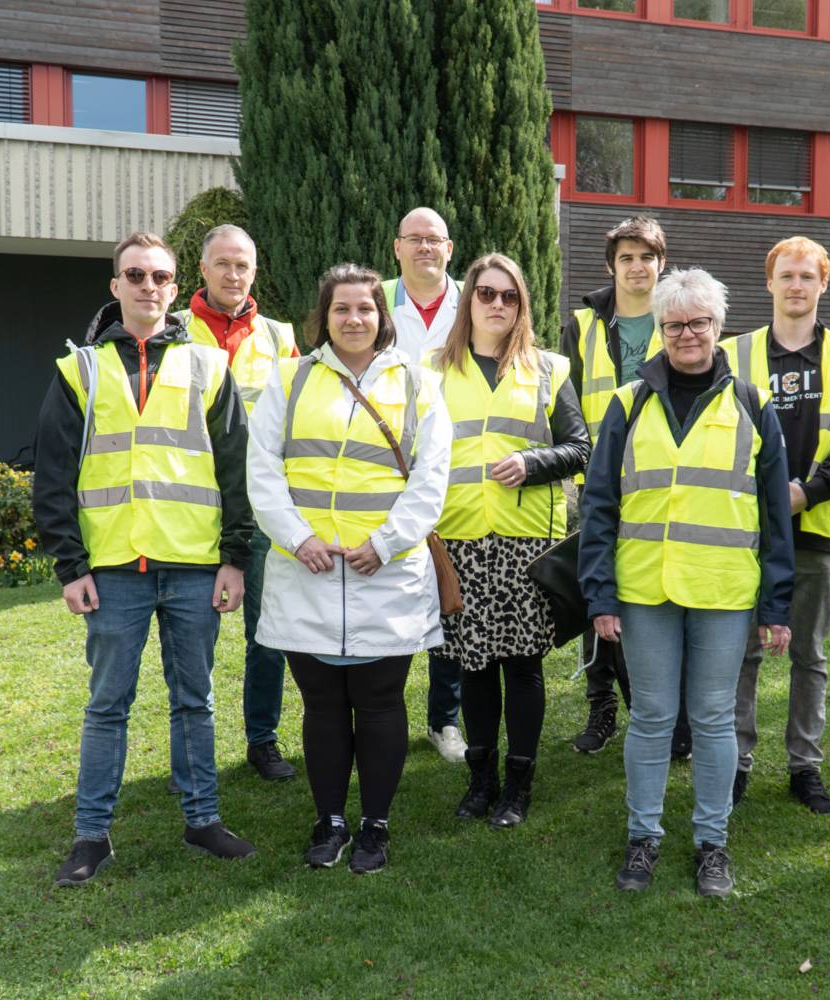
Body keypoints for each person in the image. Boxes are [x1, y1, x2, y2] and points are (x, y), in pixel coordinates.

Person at [34, 231, 256, 886]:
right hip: (112, 573)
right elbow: (51, 479)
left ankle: (203, 820)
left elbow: (235, 472)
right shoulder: (79, 370)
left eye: (160, 277)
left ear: (173, 284)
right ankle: (92, 835)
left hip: (193, 566)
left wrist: (235, 559)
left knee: (196, 700)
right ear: (116, 287)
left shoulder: (208, 367)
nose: (149, 288)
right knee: (108, 704)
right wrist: (70, 567)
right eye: (136, 276)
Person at [579, 268, 794, 897]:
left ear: (718, 327)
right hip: (644, 591)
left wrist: (775, 605)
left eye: (698, 322)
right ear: (661, 332)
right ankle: (643, 837)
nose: (687, 334)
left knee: (713, 719)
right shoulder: (628, 402)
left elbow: (775, 516)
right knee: (650, 717)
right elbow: (600, 505)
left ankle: (712, 843)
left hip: (725, 593)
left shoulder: (754, 405)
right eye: (674, 325)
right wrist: (600, 594)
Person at [246, 263, 452, 873]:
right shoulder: (289, 382)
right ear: (324, 317)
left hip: (384, 574)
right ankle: (330, 821)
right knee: (323, 705)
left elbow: (431, 476)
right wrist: (297, 537)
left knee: (382, 700)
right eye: (342, 309)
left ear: (380, 316)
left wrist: (386, 543)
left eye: (365, 308)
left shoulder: (418, 382)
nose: (354, 319)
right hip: (305, 570)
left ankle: (376, 827)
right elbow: (262, 471)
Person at [426, 253, 590, 829]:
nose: (497, 304)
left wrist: (532, 461)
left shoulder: (549, 368)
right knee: (472, 668)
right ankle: (481, 780)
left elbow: (579, 448)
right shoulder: (431, 370)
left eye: (510, 296)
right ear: (468, 298)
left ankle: (518, 785)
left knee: (522, 667)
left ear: (522, 304)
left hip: (526, 546)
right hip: (459, 540)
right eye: (486, 293)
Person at [725, 236, 830, 813]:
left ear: (823, 284)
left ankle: (804, 766)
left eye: (807, 277)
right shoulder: (733, 354)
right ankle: (735, 762)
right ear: (769, 283)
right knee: (741, 653)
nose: (796, 286)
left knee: (809, 653)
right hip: (742, 529)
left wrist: (804, 493)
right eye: (786, 275)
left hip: (815, 526)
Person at [176, 224, 299, 783]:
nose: (233, 274)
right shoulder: (174, 331)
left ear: (254, 270)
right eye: (222, 263)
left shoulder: (277, 336)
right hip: (193, 505)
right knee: (189, 639)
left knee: (266, 632)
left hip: (264, 507)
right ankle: (191, 752)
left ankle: (262, 740)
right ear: (202, 269)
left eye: (242, 265)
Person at [557, 215, 666, 754]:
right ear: (611, 266)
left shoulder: (679, 318)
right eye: (627, 258)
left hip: (662, 484)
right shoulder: (582, 325)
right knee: (595, 596)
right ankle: (601, 708)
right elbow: (568, 403)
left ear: (660, 264)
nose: (637, 267)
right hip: (595, 484)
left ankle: (657, 707)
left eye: (647, 257)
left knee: (654, 595)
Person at [382, 206, 467, 764]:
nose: (424, 249)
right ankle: (382, 713)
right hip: (384, 470)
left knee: (448, 597)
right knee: (385, 598)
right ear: (397, 248)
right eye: (414, 239)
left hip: (457, 470)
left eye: (433, 239)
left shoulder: (474, 302)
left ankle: (446, 721)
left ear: (449, 248)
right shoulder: (377, 300)